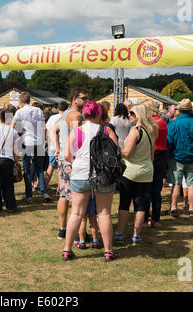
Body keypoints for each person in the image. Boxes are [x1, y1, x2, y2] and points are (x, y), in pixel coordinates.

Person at [61, 101, 119, 261]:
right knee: (104, 213)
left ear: (84, 115)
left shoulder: (77, 131)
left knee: (76, 213)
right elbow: (116, 151)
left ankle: (67, 250)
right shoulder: (106, 130)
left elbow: (67, 155)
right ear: (99, 114)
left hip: (80, 173)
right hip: (103, 175)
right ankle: (108, 251)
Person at [114, 104, 157, 246]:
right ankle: (136, 236)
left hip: (131, 171)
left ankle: (119, 233)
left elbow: (126, 153)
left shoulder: (135, 131)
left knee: (125, 203)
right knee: (140, 204)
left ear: (139, 115)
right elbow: (152, 156)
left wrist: (113, 150)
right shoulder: (151, 130)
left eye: (132, 113)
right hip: (146, 171)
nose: (129, 116)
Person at [50, 88, 89, 239]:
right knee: (77, 197)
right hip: (73, 160)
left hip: (64, 159)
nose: (86, 101)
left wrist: (58, 149)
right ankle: (80, 233)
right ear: (75, 99)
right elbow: (77, 139)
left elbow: (53, 130)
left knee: (64, 195)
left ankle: (62, 229)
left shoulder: (65, 113)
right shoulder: (76, 115)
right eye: (84, 98)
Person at [166, 99, 193, 218]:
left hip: (176, 158)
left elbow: (169, 142)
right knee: (192, 184)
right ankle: (192, 209)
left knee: (176, 184)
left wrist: (170, 155)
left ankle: (174, 207)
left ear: (179, 110)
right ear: (191, 110)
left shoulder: (173, 124)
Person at [11, 92, 51, 203]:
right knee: (39, 168)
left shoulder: (20, 111)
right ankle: (44, 191)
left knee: (27, 169)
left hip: (27, 141)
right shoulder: (38, 110)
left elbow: (12, 126)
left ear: (20, 101)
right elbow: (43, 127)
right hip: (38, 141)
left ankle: (29, 195)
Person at [142, 100, 168, 228]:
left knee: (146, 189)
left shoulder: (149, 123)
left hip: (150, 155)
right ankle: (156, 219)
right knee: (157, 190)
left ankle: (145, 219)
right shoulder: (162, 121)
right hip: (162, 156)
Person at [45, 101, 69, 187]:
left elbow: (48, 132)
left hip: (53, 146)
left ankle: (45, 185)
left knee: (51, 167)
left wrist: (48, 143)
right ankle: (60, 188)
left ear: (58, 108)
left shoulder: (52, 118)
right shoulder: (68, 118)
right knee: (61, 169)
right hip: (64, 146)